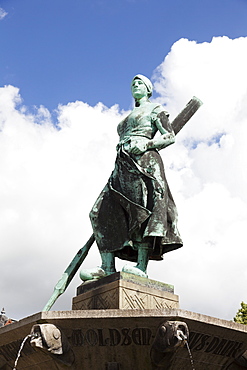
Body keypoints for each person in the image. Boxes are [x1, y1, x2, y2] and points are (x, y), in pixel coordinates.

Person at [80, 74, 182, 281]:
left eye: (140, 83)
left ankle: (142, 266)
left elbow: (169, 136)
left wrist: (147, 144)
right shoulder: (129, 115)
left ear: (148, 89)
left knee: (141, 212)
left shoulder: (155, 109)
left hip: (145, 162)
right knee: (98, 212)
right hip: (122, 163)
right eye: (133, 84)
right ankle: (107, 267)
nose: (135, 86)